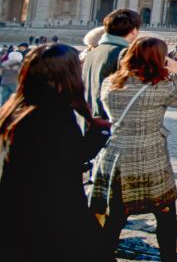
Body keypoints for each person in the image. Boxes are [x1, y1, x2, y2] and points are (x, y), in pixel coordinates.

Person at [0, 43, 113, 262]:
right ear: (66, 75)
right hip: (50, 214)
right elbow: (69, 159)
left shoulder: (18, 107)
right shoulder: (53, 112)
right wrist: (98, 135)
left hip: (16, 208)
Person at [92, 37, 177, 262]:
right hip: (151, 157)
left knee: (116, 216)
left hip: (116, 155)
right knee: (165, 215)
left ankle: (102, 255)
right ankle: (168, 258)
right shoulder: (160, 87)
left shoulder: (110, 82)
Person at [82, 9, 142, 120]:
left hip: (92, 118)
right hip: (111, 121)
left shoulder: (92, 53)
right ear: (134, 31)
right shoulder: (124, 54)